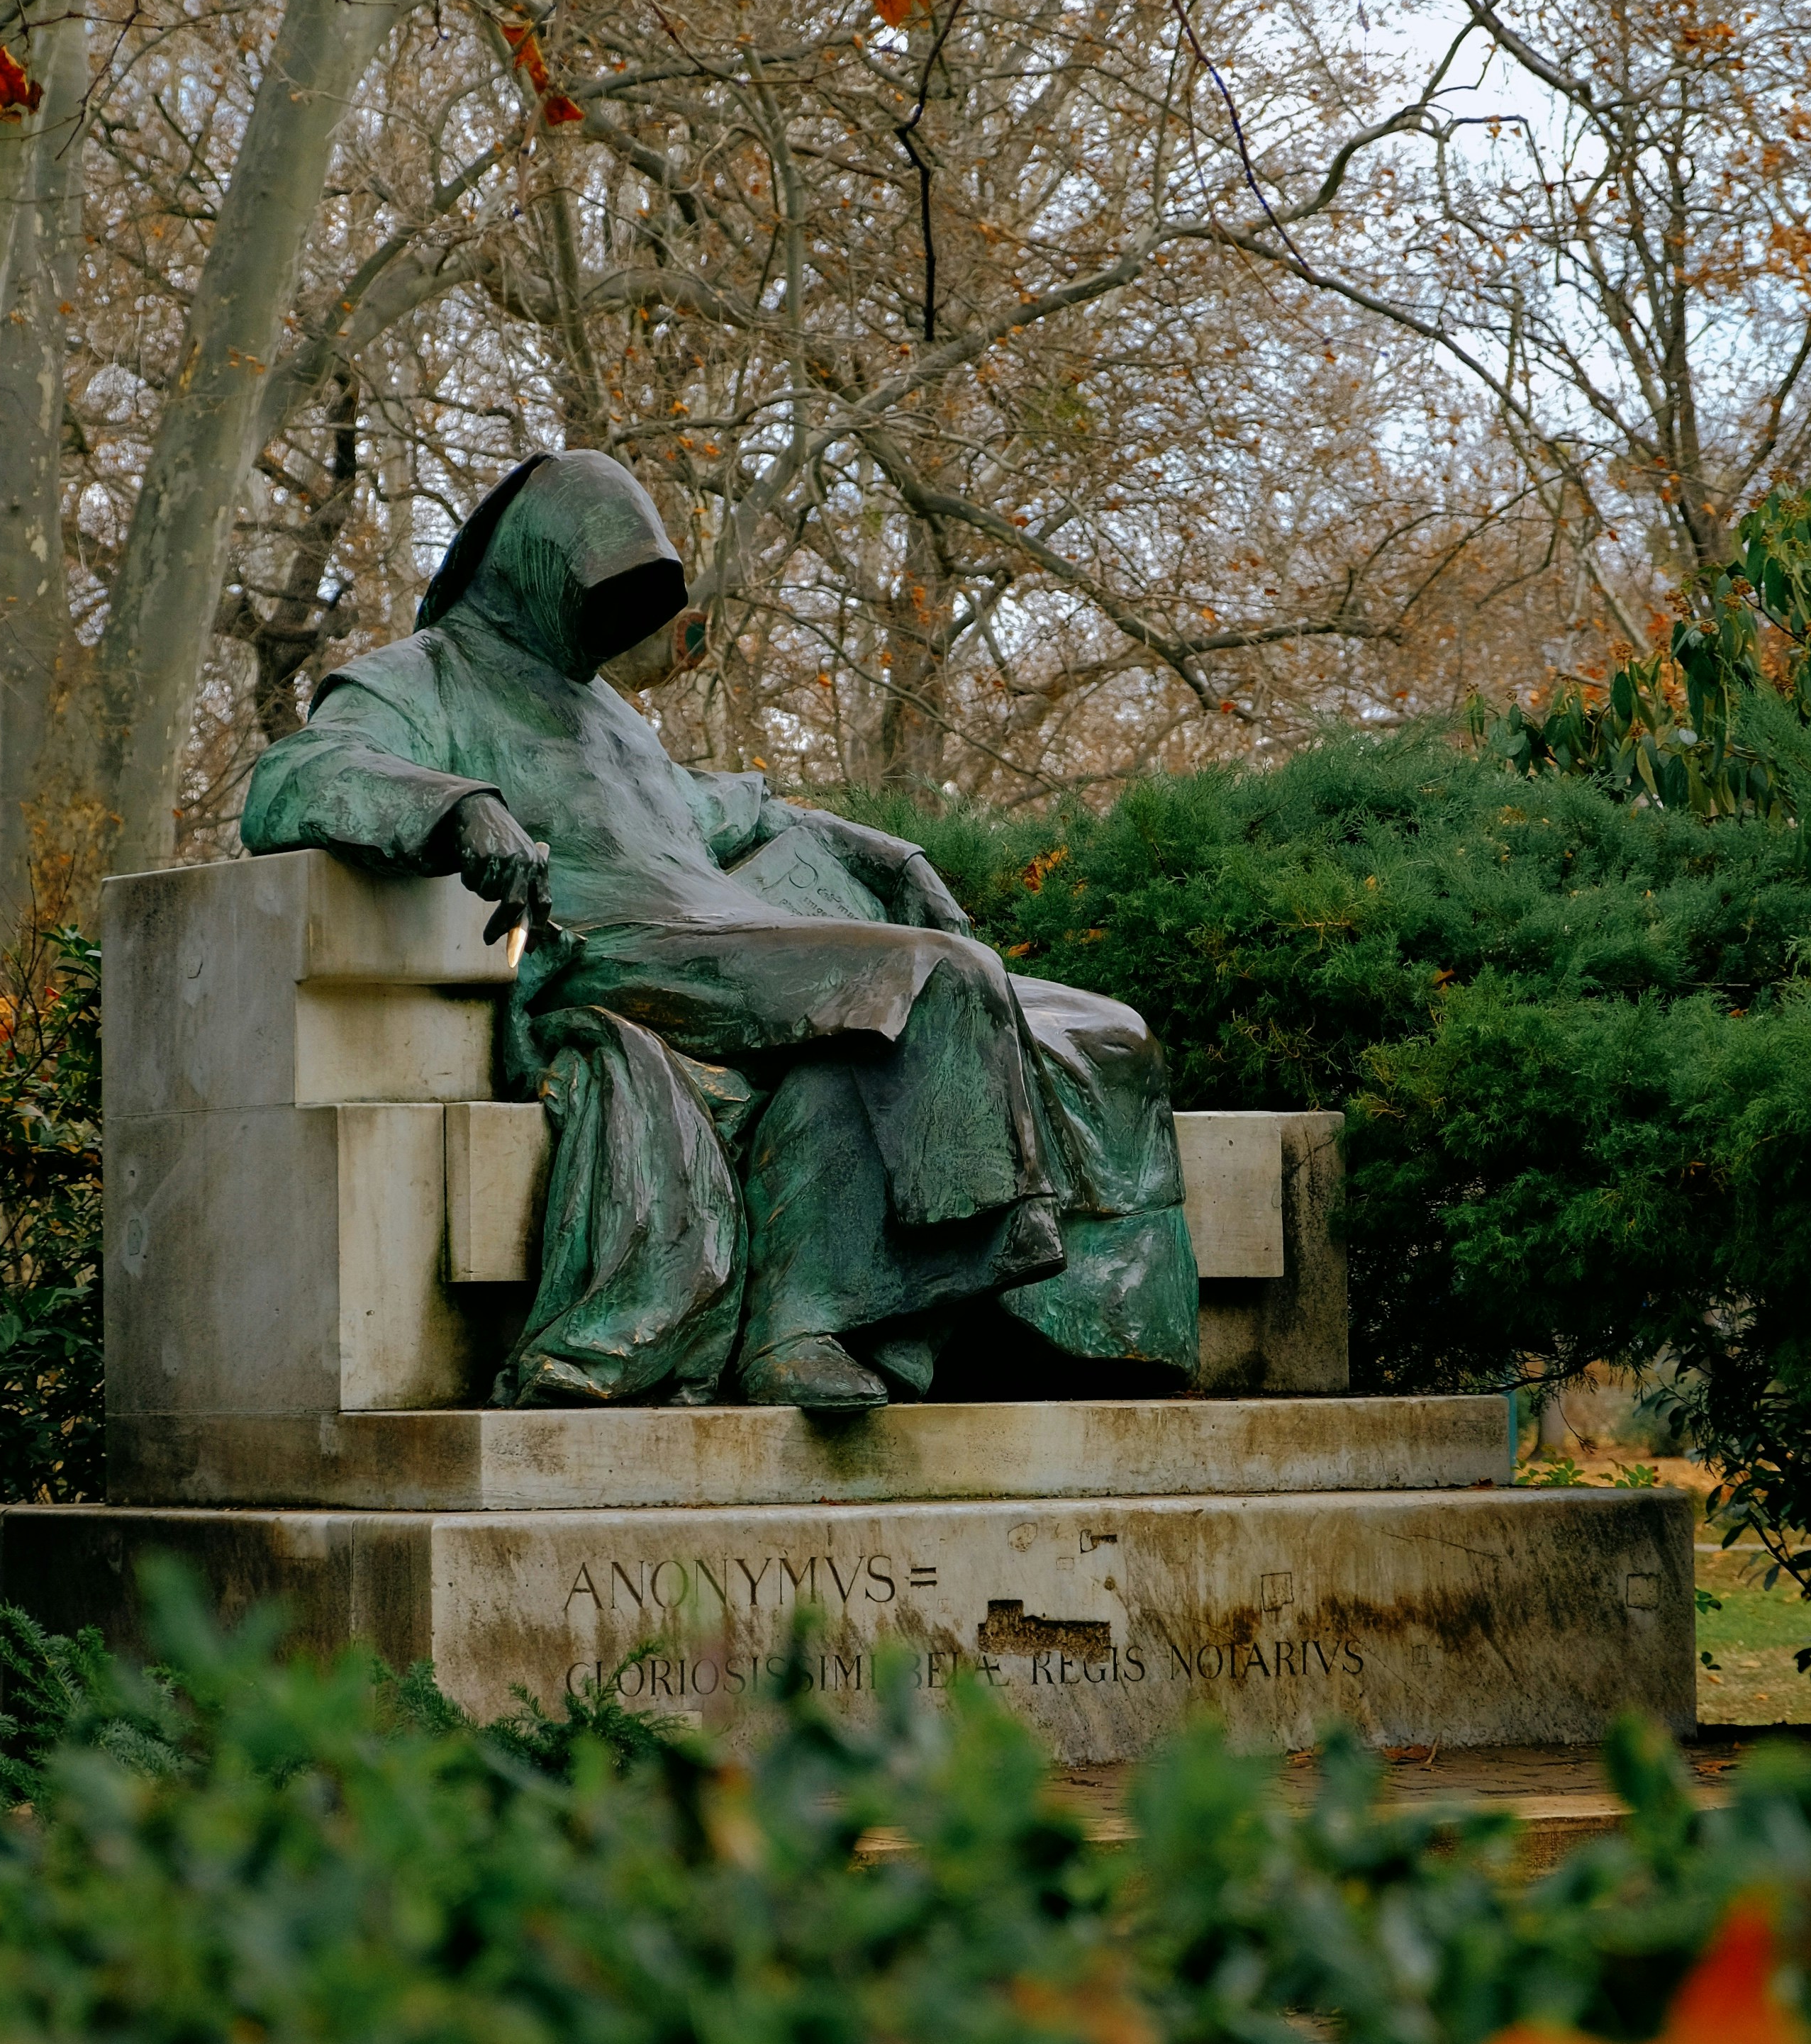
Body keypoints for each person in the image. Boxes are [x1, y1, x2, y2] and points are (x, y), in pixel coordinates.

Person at [241, 449, 1197, 1412]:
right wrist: (457, 807)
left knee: (1107, 1032)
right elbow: (297, 776)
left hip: (731, 937)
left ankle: (1093, 1332)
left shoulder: (609, 712)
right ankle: (867, 1311)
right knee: (936, 978)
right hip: (619, 950)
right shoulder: (423, 677)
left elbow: (726, 810)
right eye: (604, 592)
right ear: (534, 566)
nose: (616, 622)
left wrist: (888, 856)